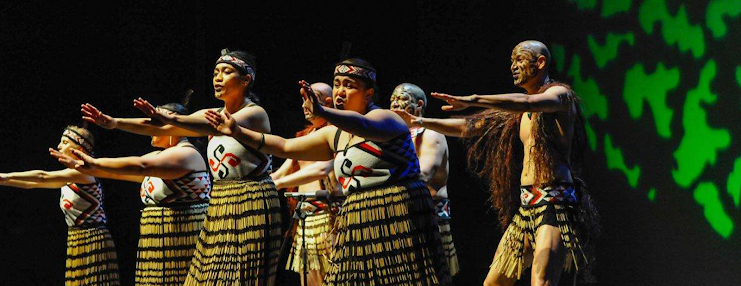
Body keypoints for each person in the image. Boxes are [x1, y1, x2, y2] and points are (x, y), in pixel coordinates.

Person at [205, 58, 451, 285]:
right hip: (358, 218)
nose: (340, 91)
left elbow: (363, 125)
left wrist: (323, 112)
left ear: (369, 94)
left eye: (349, 85)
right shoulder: (335, 134)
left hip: (398, 215)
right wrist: (237, 131)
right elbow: (284, 146)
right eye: (337, 85)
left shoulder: (387, 118)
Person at [393, 40, 599, 286]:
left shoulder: (560, 96)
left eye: (520, 59)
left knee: (541, 280)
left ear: (541, 62)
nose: (513, 66)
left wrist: (474, 99)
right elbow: (469, 127)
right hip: (527, 207)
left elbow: (527, 102)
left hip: (555, 204)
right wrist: (420, 122)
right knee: (494, 282)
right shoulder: (519, 111)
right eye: (511, 61)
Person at [80, 49, 281, 285]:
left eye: (226, 72)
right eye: (215, 72)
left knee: (243, 279)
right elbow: (162, 128)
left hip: (252, 203)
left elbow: (187, 124)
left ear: (246, 80)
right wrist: (115, 123)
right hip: (221, 204)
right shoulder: (214, 113)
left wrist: (168, 118)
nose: (218, 77)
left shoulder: (255, 114)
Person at [51, 103, 210, 286]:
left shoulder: (186, 154)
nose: (149, 129)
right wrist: (87, 167)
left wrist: (94, 163)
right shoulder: (161, 156)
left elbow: (141, 165)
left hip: (181, 239)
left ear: (173, 127)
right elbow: (118, 173)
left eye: (155, 124)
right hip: (159, 239)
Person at [0, 126, 120, 286]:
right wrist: (4, 181)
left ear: (78, 148)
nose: (59, 146)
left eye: (64, 142)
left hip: (93, 239)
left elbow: (43, 176)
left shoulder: (83, 173)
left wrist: (6, 175)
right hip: (77, 239)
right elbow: (32, 184)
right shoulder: (68, 178)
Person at [270, 82, 336, 286]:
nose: (304, 104)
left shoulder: (337, 133)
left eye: (311, 97)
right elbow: (282, 170)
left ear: (327, 102)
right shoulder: (304, 136)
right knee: (308, 281)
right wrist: (260, 186)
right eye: (303, 99)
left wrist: (280, 183)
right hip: (305, 218)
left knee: (332, 277)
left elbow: (322, 168)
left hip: (329, 217)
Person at [390, 83, 459, 277]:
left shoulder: (430, 134)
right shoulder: (392, 136)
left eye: (401, 99)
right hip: (398, 215)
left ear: (419, 105)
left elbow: (423, 175)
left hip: (428, 217)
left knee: (428, 277)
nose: (395, 104)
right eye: (392, 100)